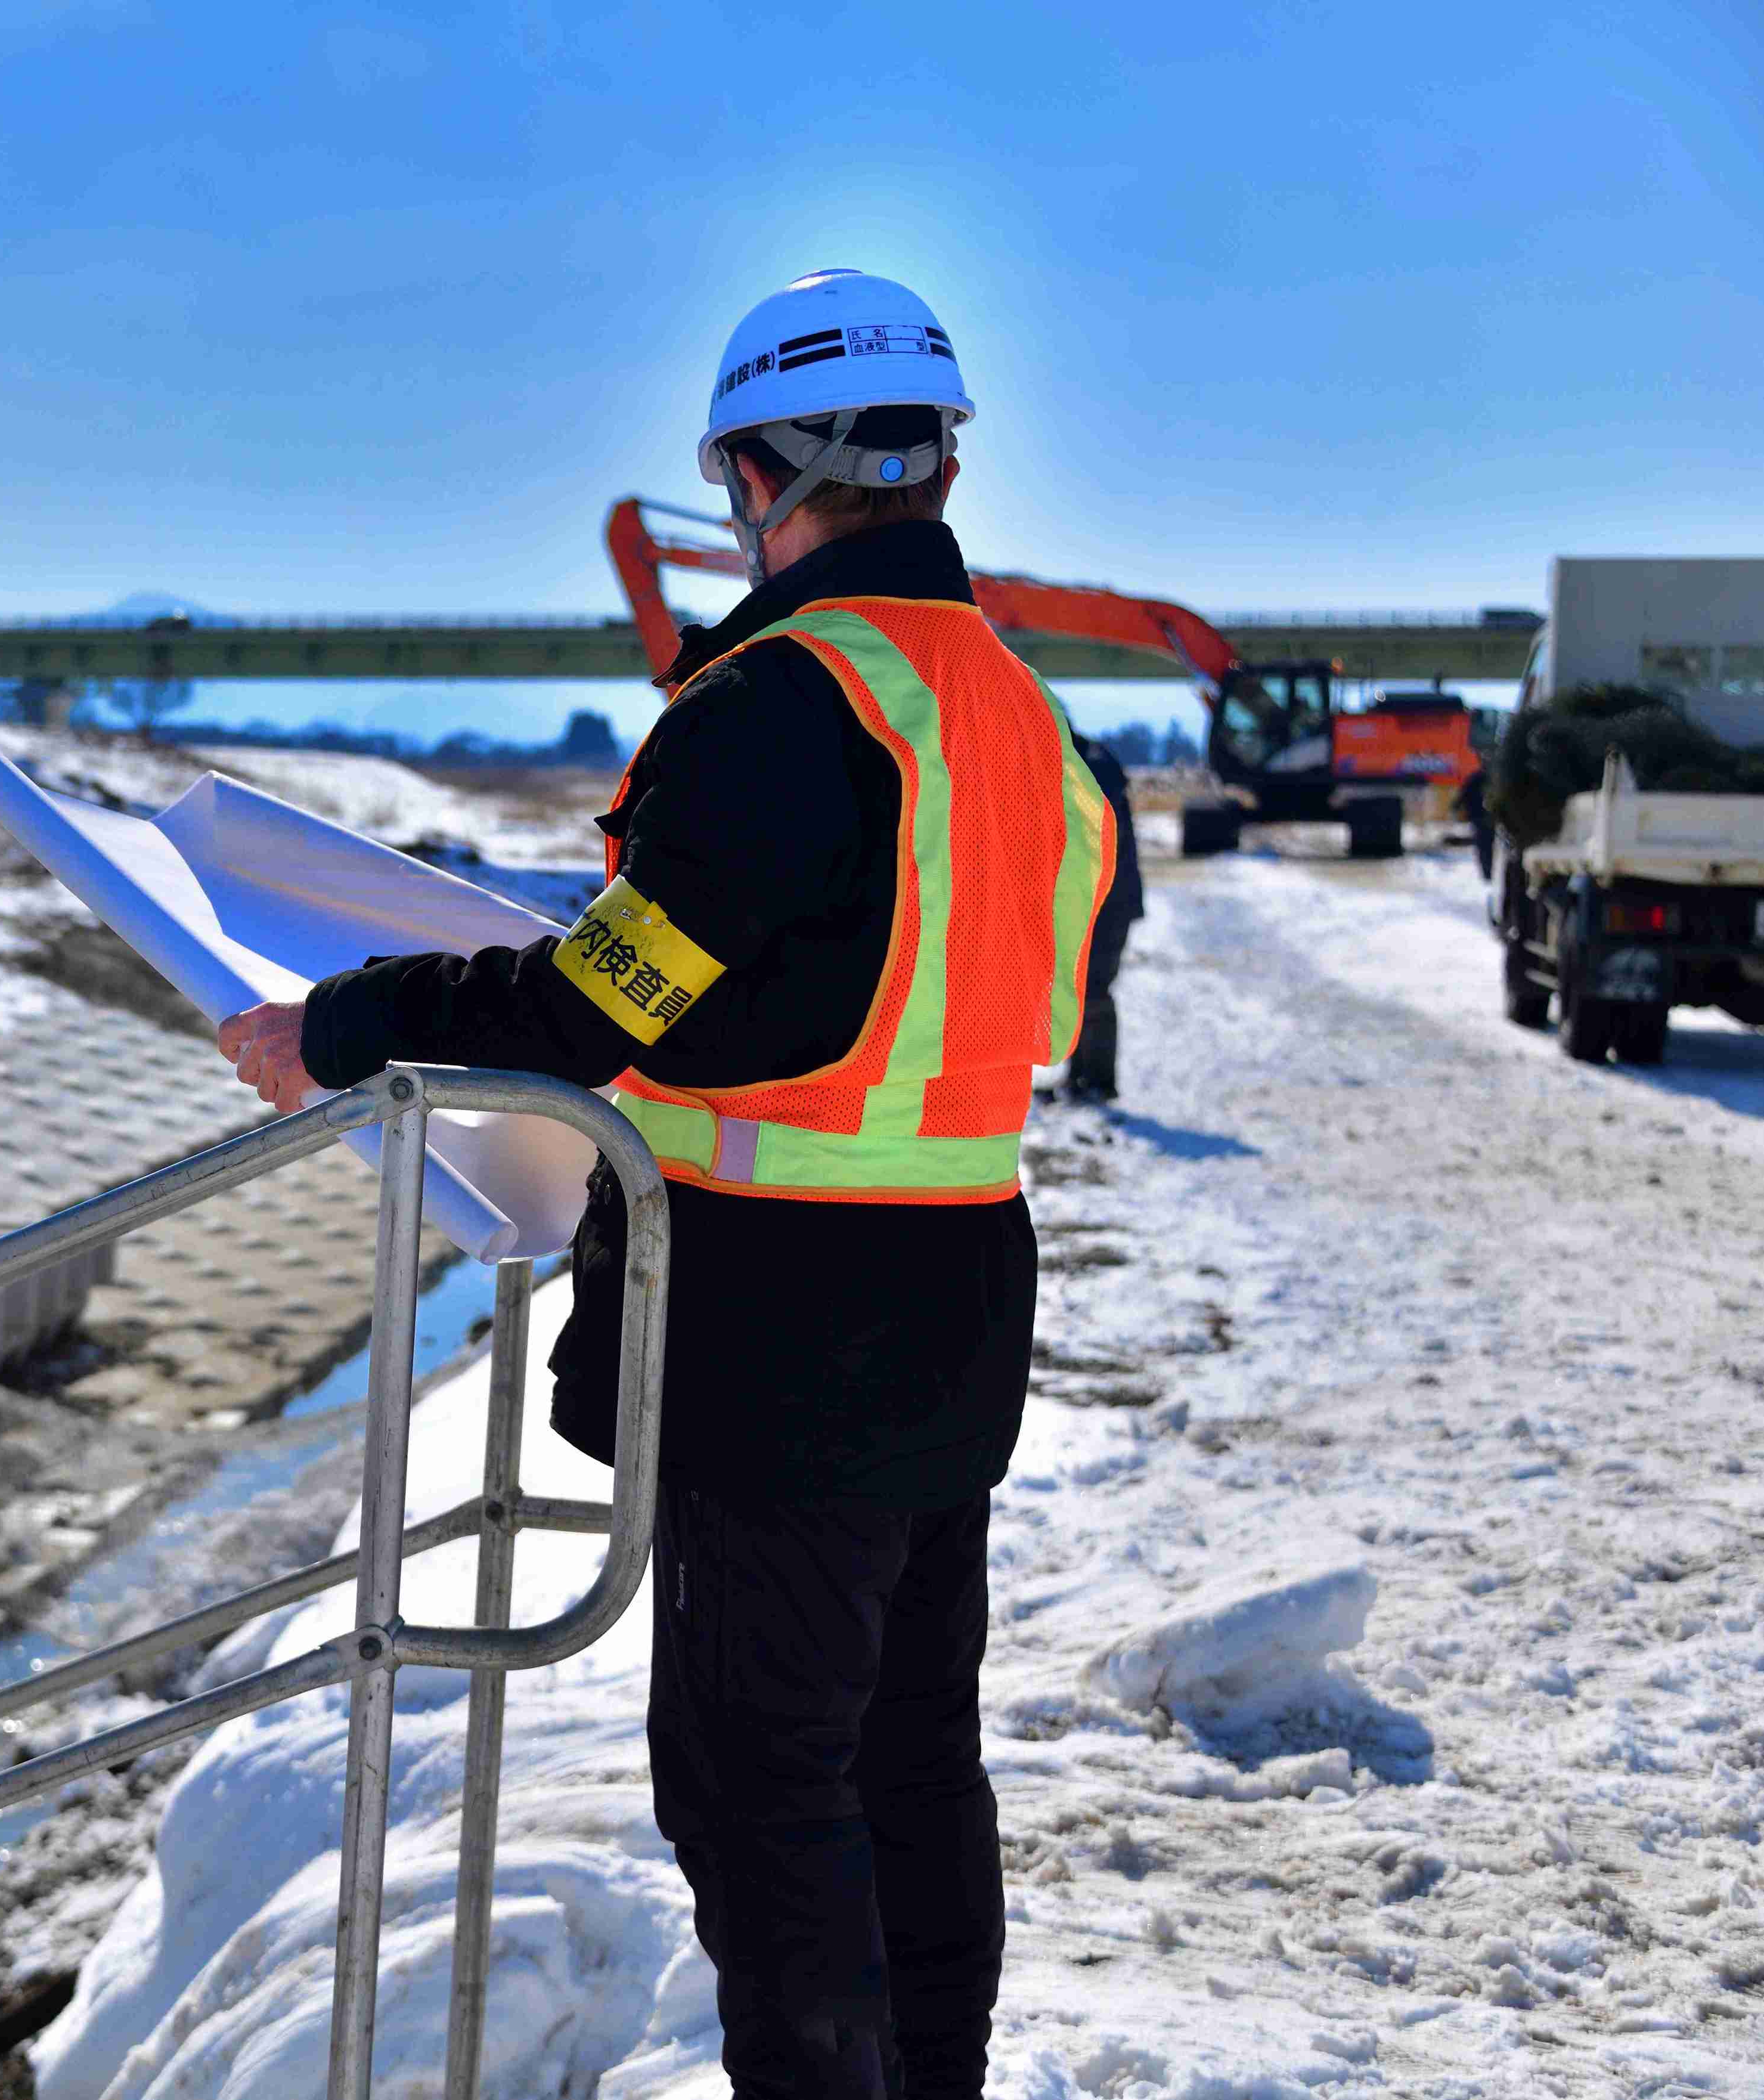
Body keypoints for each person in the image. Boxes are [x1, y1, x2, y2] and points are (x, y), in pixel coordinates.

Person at [218, 269, 1114, 2099]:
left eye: (734, 486)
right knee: (909, 1756)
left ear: (769, 471)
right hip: (961, 1303)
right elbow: (1026, 981)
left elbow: (595, 1003)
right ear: (937, 462)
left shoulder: (780, 704)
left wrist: (338, 1024)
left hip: (781, 1336)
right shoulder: (1026, 719)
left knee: (759, 1780)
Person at [1058, 733, 1142, 1103]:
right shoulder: (1085, 760)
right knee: (1079, 990)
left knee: (1095, 990)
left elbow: (1094, 835)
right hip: (1097, 899)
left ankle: (1101, 1082)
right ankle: (1079, 1077)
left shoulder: (1092, 766)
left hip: (1108, 901)